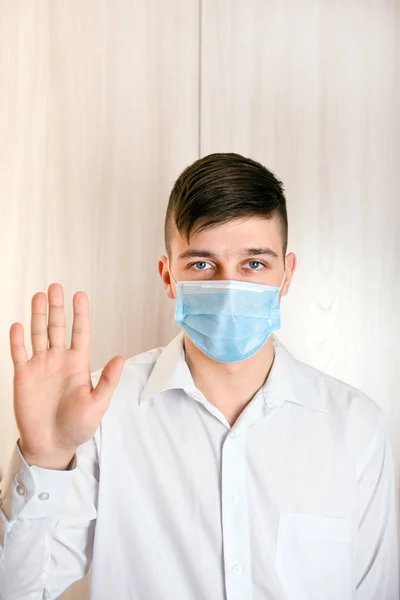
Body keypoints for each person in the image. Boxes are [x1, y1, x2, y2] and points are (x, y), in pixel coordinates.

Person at [0, 153, 398, 600]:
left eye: (254, 264)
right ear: (168, 277)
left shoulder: (356, 426)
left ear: (286, 276)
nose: (230, 288)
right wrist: (46, 459)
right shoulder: (99, 415)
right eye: (202, 265)